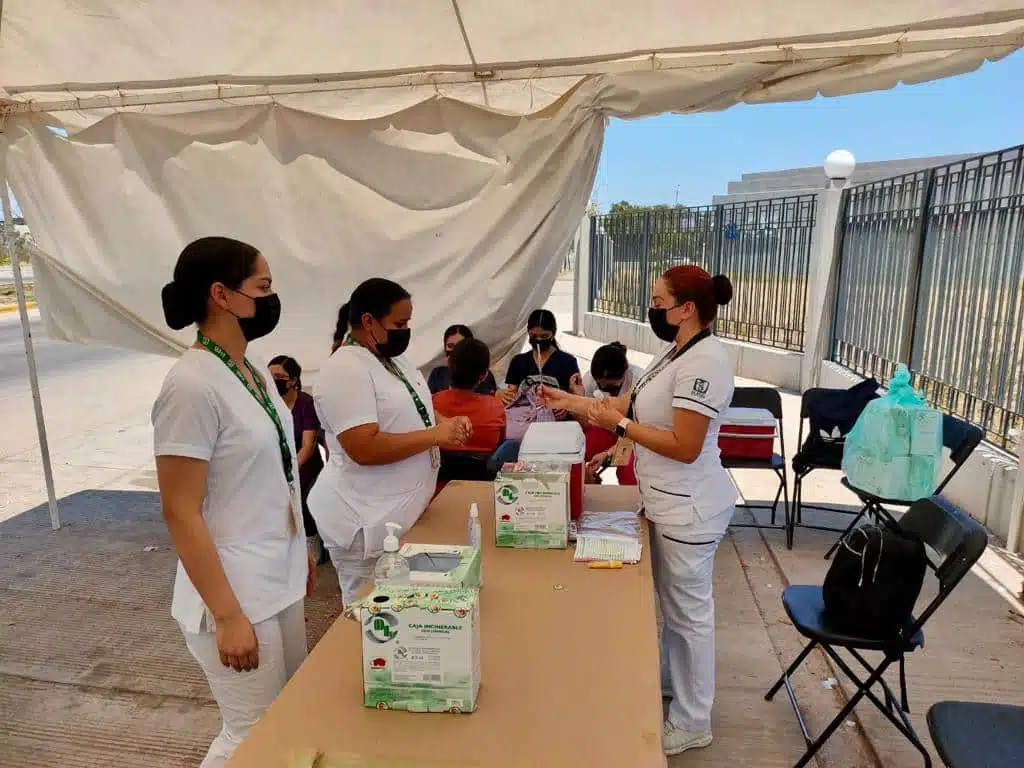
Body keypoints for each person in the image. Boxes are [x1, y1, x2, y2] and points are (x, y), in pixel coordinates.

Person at [538, 264, 737, 757]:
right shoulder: (673, 353)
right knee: (673, 609)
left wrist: (622, 428)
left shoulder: (705, 361)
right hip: (665, 500)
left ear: (687, 309)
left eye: (658, 301)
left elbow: (685, 444)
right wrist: (570, 400)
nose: (651, 310)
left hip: (689, 505)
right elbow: (621, 405)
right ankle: (674, 688)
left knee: (689, 616)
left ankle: (693, 721)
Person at [152, 236, 314, 768]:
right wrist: (227, 616)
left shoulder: (254, 367)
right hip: (233, 591)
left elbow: (276, 473)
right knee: (250, 735)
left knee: (288, 718)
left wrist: (301, 549)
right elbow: (180, 510)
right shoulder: (191, 386)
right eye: (262, 287)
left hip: (277, 574)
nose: (271, 299)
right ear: (221, 295)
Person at [308, 279, 472, 606]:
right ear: (368, 321)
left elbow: (411, 405)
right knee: (368, 610)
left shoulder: (392, 360)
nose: (406, 330)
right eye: (400, 323)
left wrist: (444, 423)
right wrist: (434, 436)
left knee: (396, 609)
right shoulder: (344, 369)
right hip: (363, 521)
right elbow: (363, 448)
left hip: (395, 516)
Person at [268, 355, 327, 564]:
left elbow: (308, 446)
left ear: (293, 380)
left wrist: (288, 471)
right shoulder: (268, 403)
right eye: (270, 375)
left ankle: (313, 540)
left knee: (302, 498)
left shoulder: (305, 403)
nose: (272, 380)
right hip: (275, 464)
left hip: (304, 467)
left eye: (278, 376)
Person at [574, 343, 644, 486]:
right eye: (601, 386)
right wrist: (579, 395)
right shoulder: (590, 379)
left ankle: (630, 502)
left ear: (625, 372)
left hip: (633, 434)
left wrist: (607, 454)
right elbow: (584, 425)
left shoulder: (639, 380)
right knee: (578, 451)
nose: (606, 390)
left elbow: (636, 431)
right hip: (606, 429)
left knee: (628, 467)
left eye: (612, 387)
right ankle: (584, 486)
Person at [433, 338, 506, 455]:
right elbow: (501, 442)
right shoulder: (496, 406)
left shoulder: (431, 403)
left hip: (437, 471)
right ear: (484, 375)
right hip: (484, 472)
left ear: (449, 364)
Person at [499, 308, 581, 408]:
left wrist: (566, 408)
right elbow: (512, 396)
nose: (538, 340)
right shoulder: (518, 362)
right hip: (524, 419)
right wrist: (501, 395)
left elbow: (576, 398)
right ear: (528, 333)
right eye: (534, 336)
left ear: (553, 333)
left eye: (544, 336)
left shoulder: (567, 362)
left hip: (557, 422)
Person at [427, 324, 498, 395]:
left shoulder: (481, 373)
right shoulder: (437, 374)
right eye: (450, 346)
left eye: (460, 345)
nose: (455, 351)